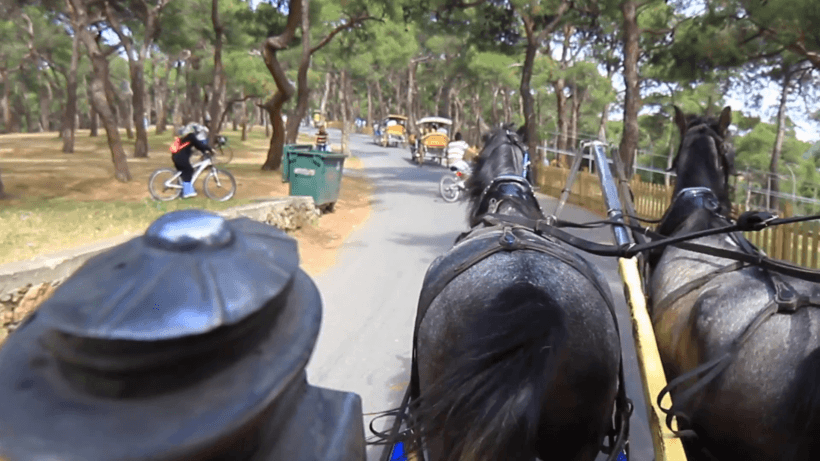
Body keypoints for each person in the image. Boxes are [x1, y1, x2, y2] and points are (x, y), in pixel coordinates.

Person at [170, 123, 212, 198]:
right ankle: (187, 192)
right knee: (188, 170)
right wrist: (209, 149)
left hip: (176, 157)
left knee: (184, 172)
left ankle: (181, 190)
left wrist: (204, 151)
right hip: (181, 158)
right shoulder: (191, 136)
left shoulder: (186, 137)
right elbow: (200, 145)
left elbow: (198, 146)